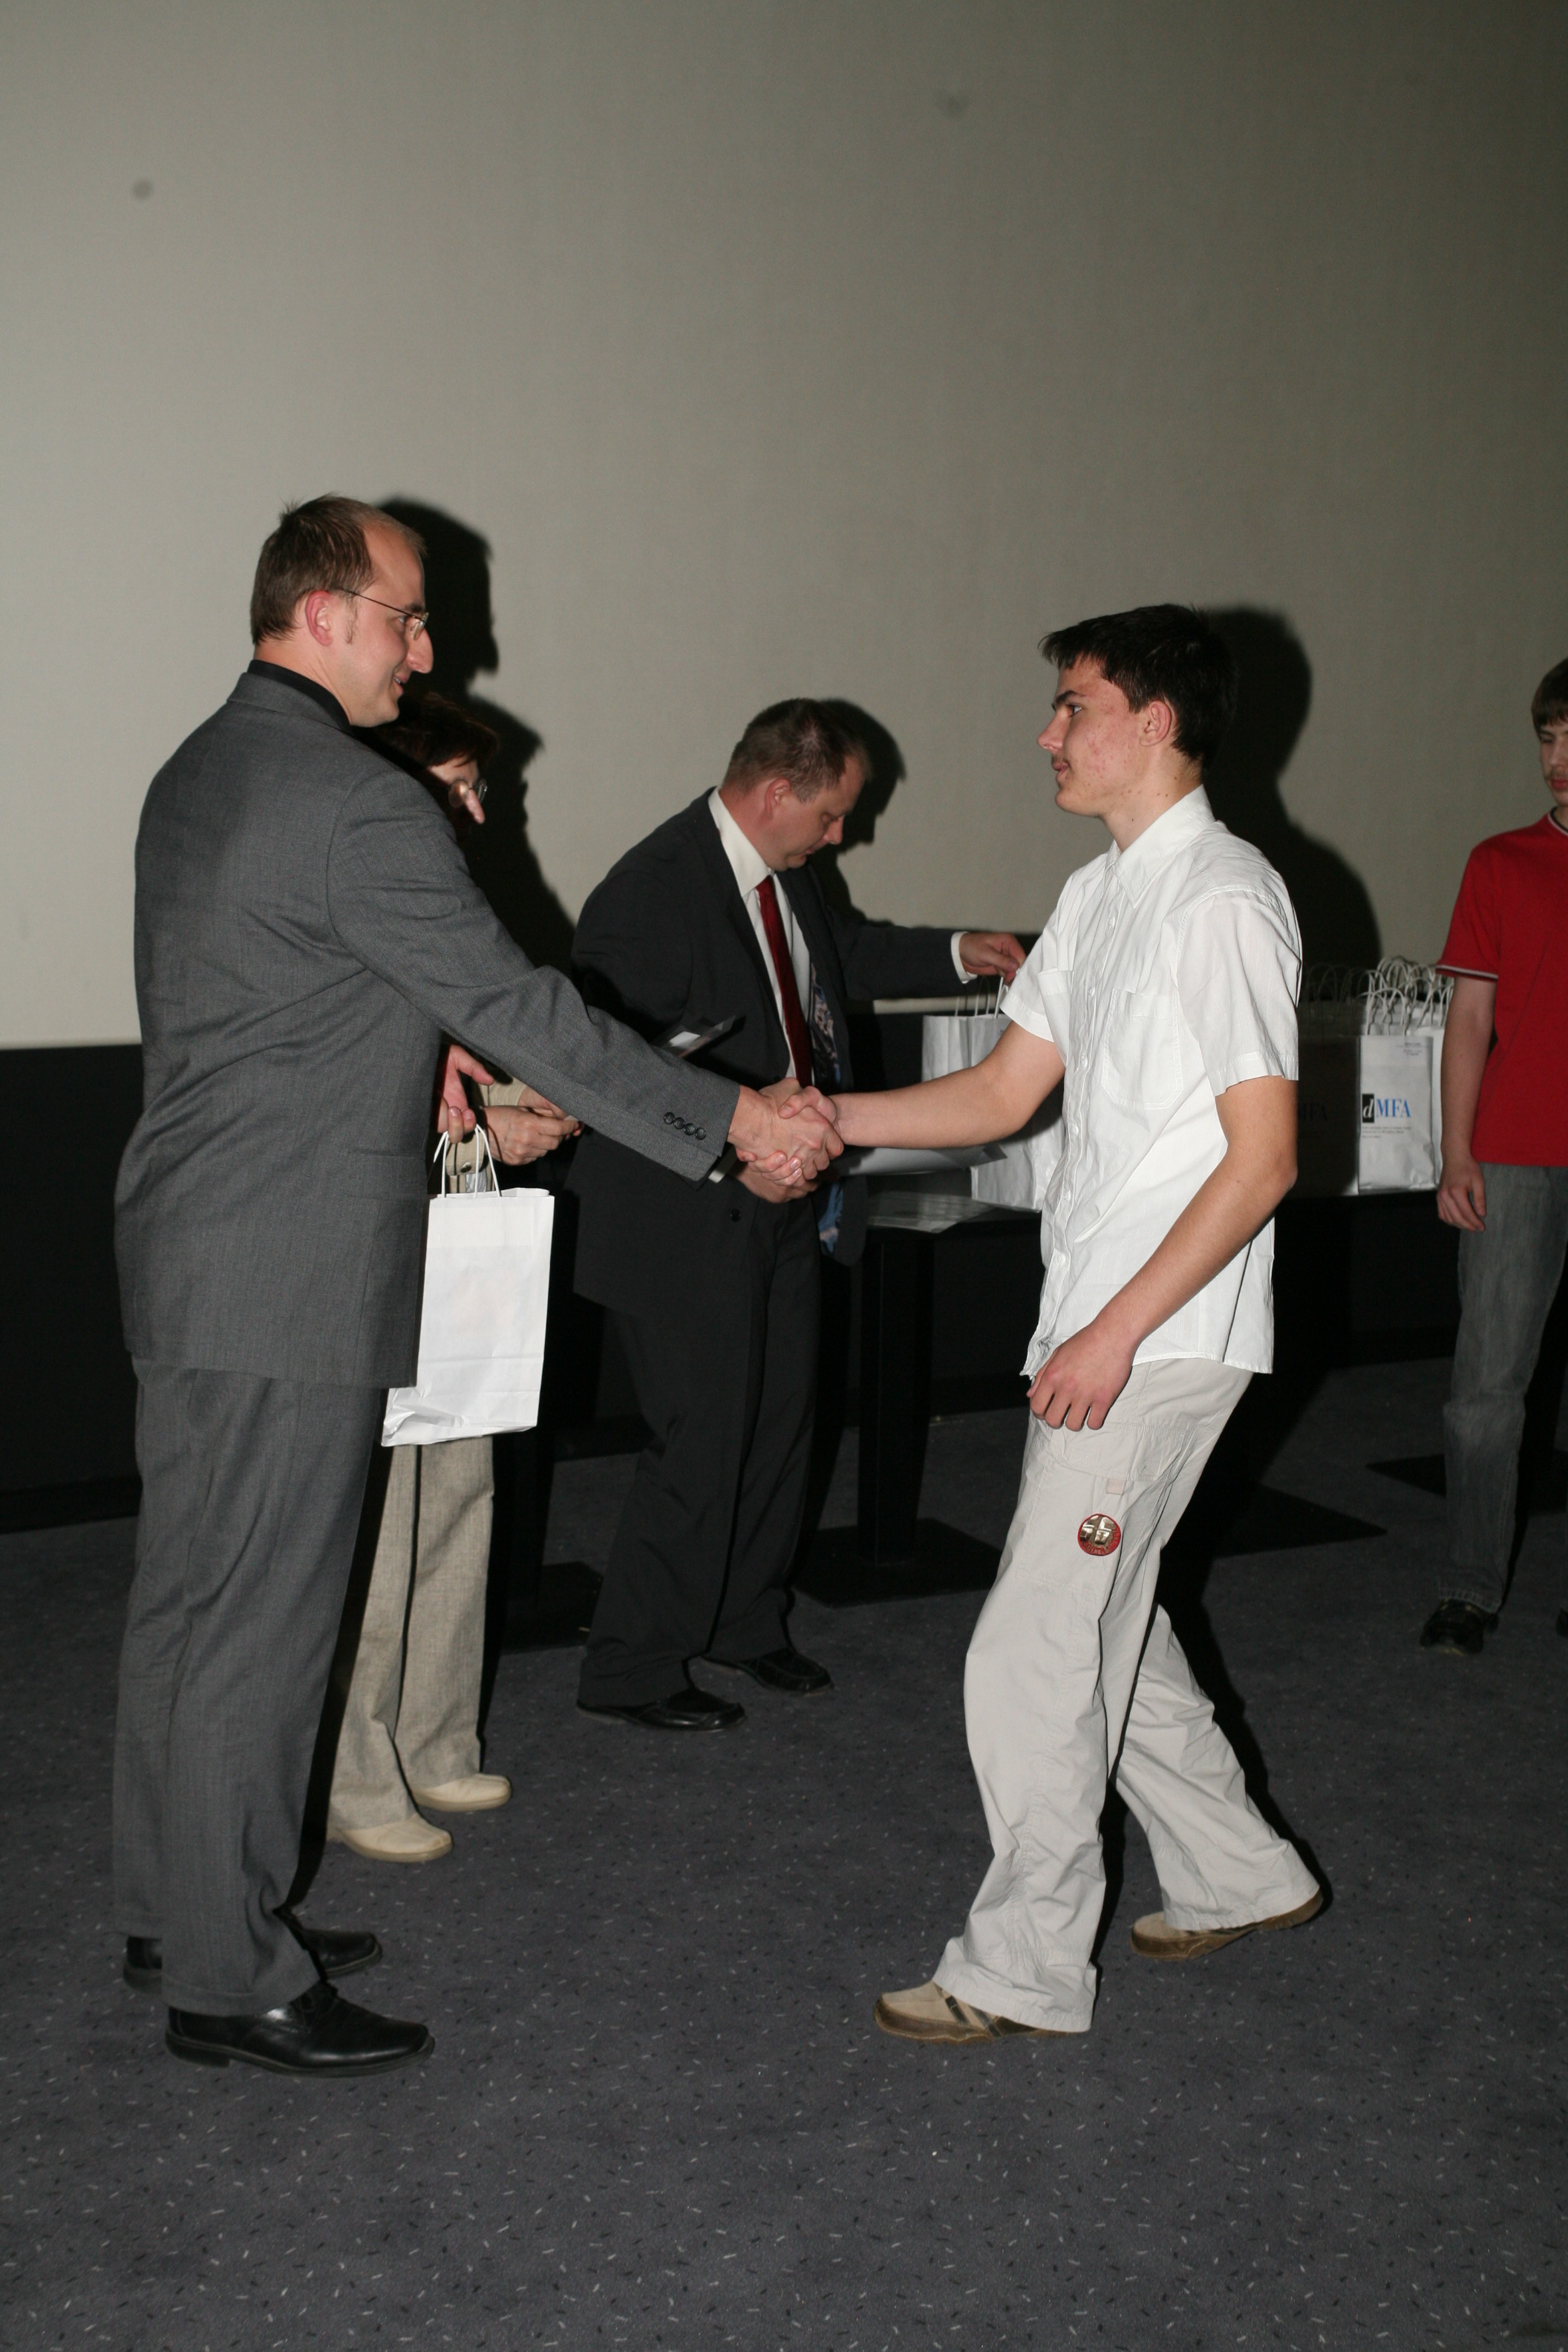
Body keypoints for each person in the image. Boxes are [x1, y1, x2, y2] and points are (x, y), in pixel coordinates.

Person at [112, 497, 840, 2079]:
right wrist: (731, 1122)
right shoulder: (357, 799)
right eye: (408, 616)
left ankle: (183, 1906)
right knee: (261, 1628)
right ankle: (232, 1977)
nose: (429, 650)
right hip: (289, 1265)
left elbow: (282, 985)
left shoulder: (203, 766)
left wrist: (412, 1041)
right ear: (325, 613)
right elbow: (522, 1006)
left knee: (189, 1601)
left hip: (196, 1239)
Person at [811, 606, 1322, 2044]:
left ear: (1156, 722)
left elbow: (1264, 1162)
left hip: (1158, 1339)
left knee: (1031, 1649)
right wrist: (820, 1118)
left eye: (1074, 705)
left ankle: (1023, 1966)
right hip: (1097, 1322)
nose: (1048, 733)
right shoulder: (1100, 896)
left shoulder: (1224, 898)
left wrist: (1115, 1334)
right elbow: (996, 1096)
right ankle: (1238, 1870)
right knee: (1109, 1621)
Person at [567, 699, 1025, 1728]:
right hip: (685, 1212)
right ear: (777, 792)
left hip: (786, 1202)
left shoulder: (785, 874)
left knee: (781, 1426)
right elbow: (615, 1072)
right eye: (831, 815)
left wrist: (962, 951)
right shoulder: (650, 891)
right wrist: (735, 1160)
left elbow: (842, 957)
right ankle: (633, 1665)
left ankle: (743, 1624)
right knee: (702, 1440)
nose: (842, 834)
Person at [325, 695, 579, 1865]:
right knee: (381, 1524)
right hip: (370, 1243)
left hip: (458, 1223)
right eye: (463, 788)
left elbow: (471, 1050)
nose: (478, 812)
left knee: (460, 1489)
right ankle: (355, 1768)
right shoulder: (351, 890)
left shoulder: (445, 900)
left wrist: (516, 1110)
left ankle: (434, 1736)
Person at [1420, 656, 1568, 1657]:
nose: (1555, 758)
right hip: (1513, 1154)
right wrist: (1457, 1151)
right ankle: (1470, 1589)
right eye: (1548, 737)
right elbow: (1468, 1020)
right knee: (1487, 1387)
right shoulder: (1502, 862)